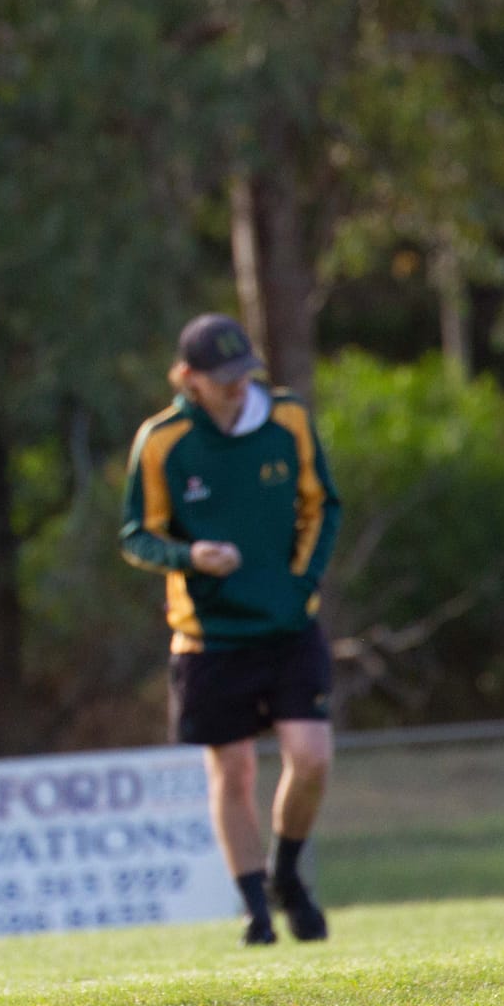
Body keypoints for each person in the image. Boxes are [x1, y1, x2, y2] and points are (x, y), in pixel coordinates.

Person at [118, 313, 342, 947]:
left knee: (311, 757)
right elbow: (137, 533)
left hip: (289, 624)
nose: (238, 389)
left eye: (245, 376)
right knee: (234, 771)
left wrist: (300, 583)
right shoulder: (162, 440)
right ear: (187, 379)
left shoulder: (287, 419)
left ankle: (288, 874)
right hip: (208, 635)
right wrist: (191, 556)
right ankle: (256, 911)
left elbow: (323, 504)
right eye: (222, 380)